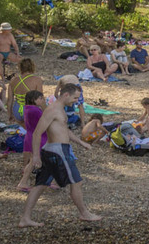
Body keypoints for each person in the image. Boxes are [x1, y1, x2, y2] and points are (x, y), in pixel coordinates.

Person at [18, 84, 102, 227]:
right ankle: (84, 213)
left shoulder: (60, 109)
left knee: (40, 185)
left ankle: (25, 219)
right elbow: (37, 133)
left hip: (55, 150)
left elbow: (64, 130)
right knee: (76, 182)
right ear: (65, 95)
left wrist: (82, 143)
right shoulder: (52, 110)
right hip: (57, 152)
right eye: (75, 97)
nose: (76, 101)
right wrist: (36, 156)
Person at [8, 58, 43, 124]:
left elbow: (10, 100)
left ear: (20, 67)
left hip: (17, 110)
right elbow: (40, 100)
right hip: (30, 110)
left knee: (24, 129)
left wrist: (10, 114)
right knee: (32, 130)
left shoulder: (13, 80)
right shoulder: (37, 80)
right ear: (32, 66)